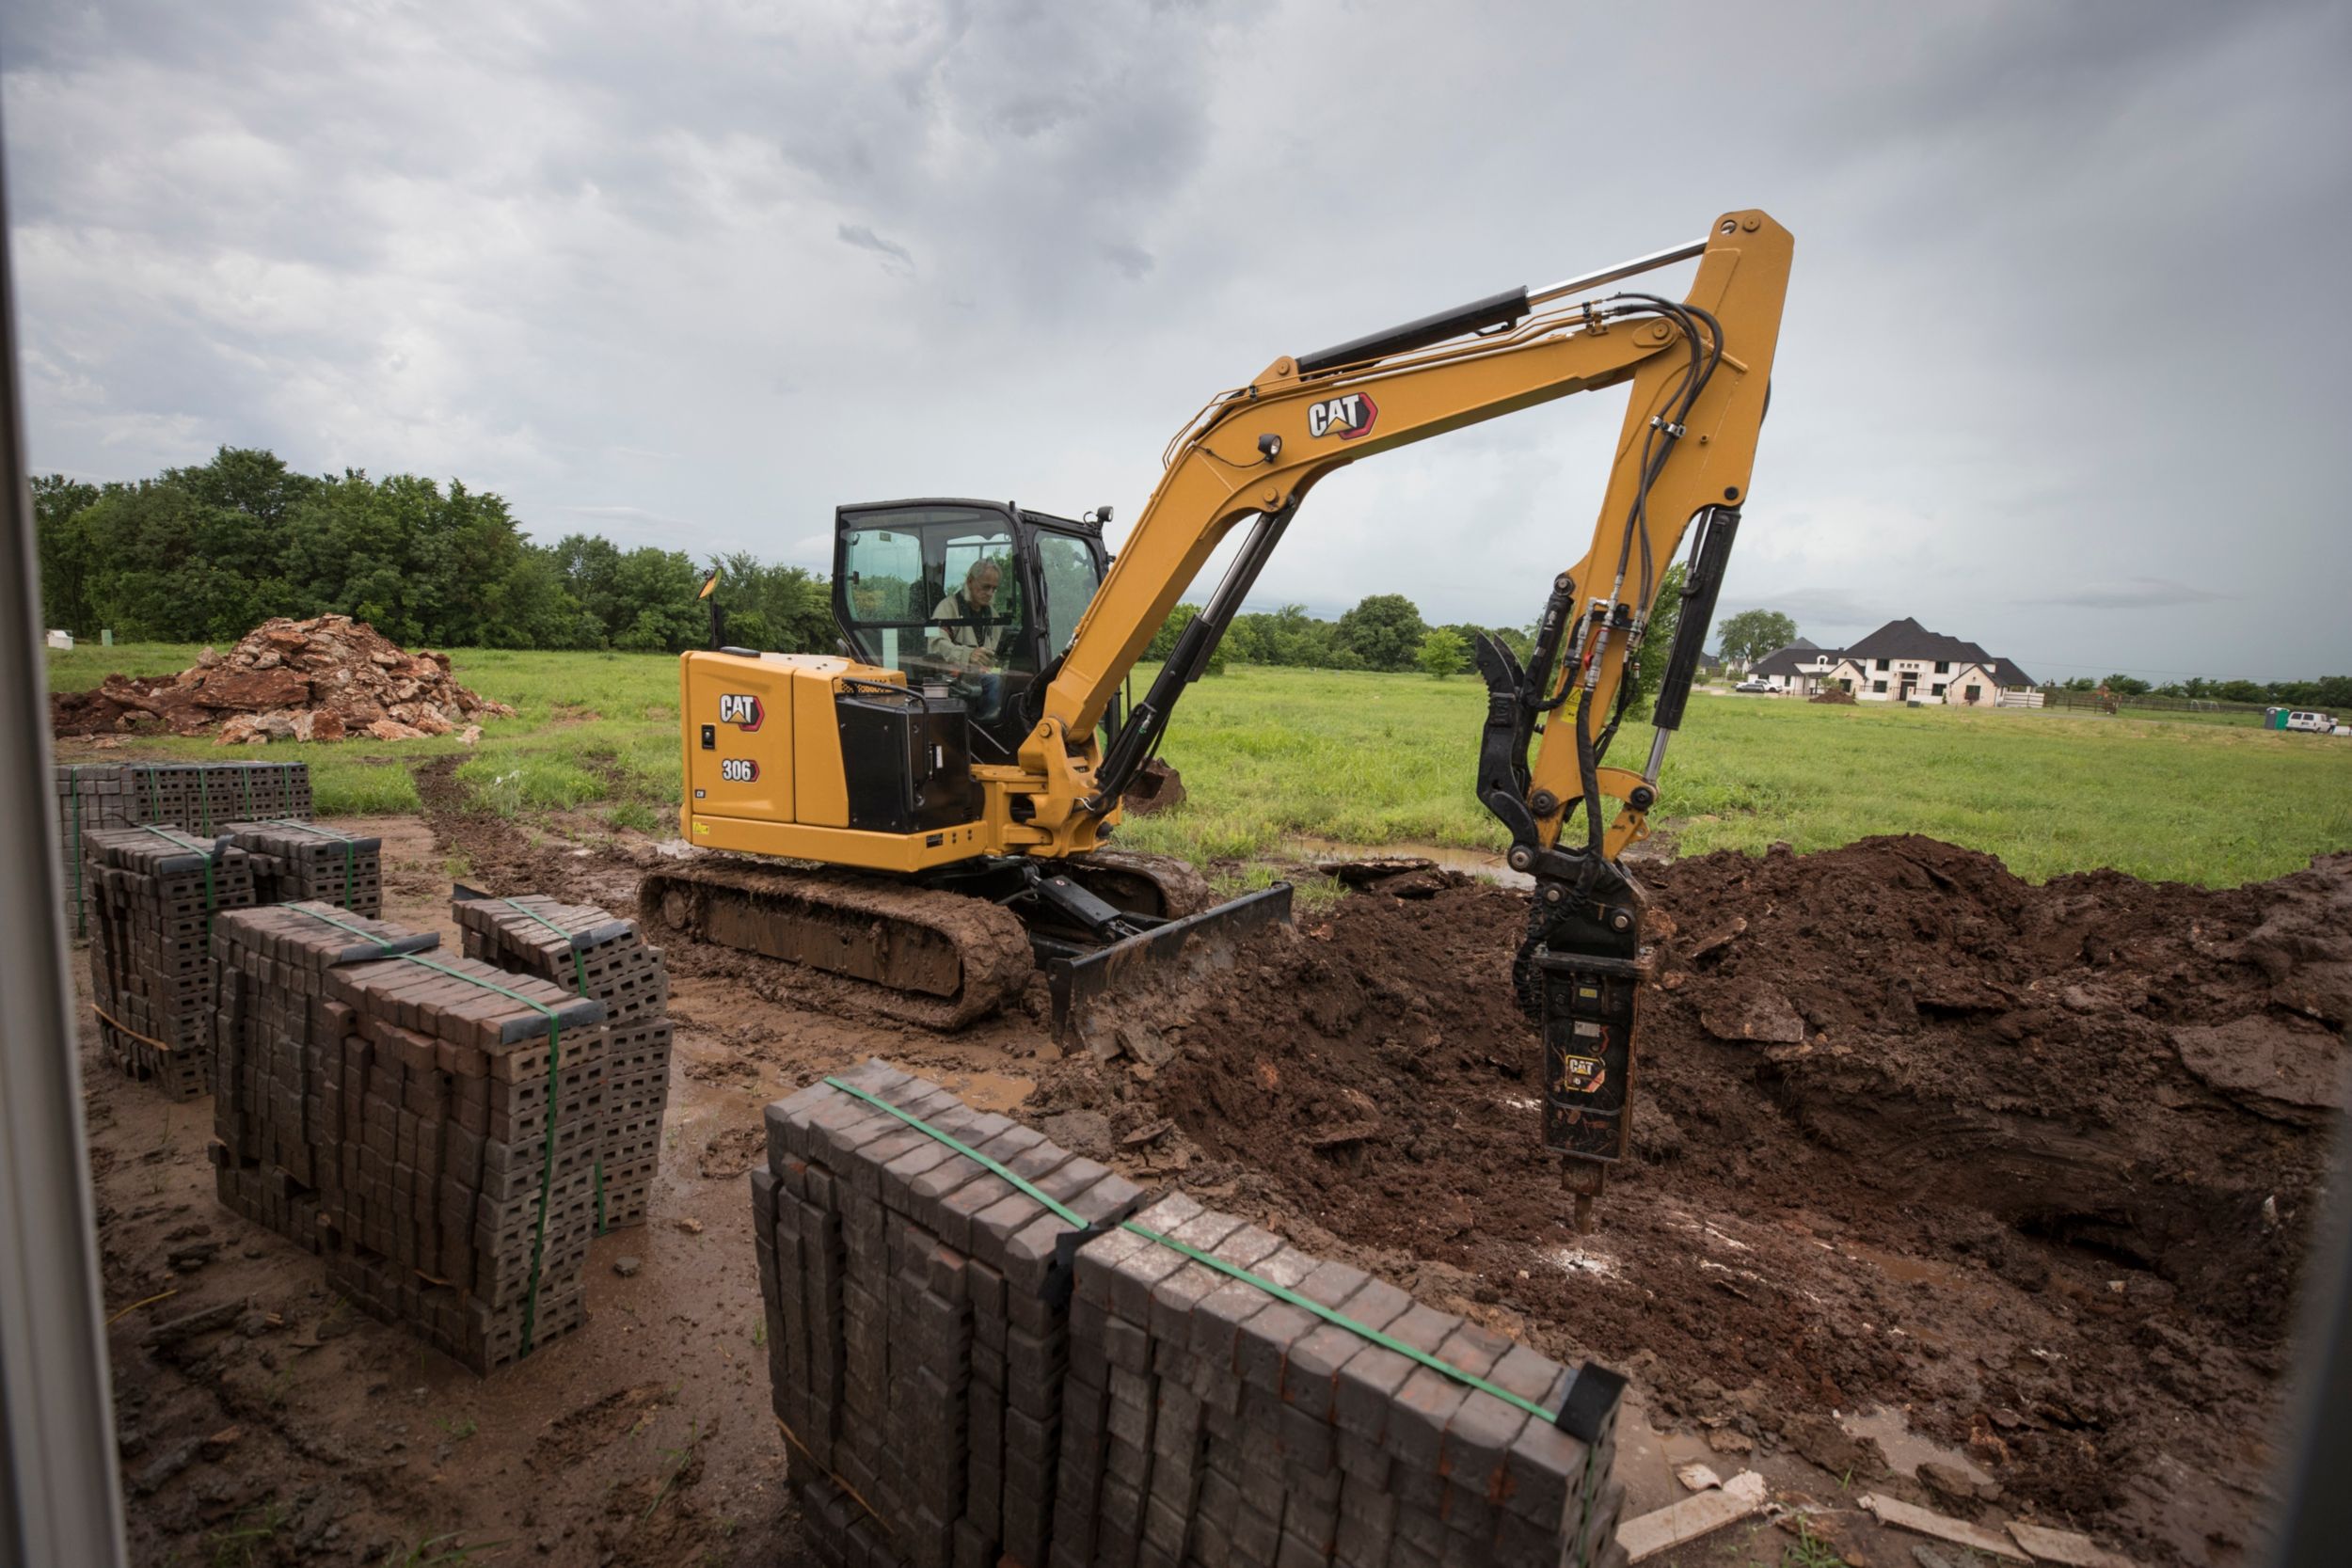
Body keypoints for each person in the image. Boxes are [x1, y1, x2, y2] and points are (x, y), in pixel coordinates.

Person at [928, 560, 1008, 719]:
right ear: (970, 581)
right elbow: (934, 644)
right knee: (994, 681)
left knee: (1014, 678)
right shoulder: (946, 607)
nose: (991, 593)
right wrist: (968, 654)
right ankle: (986, 727)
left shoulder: (992, 614)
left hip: (985, 672)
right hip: (954, 676)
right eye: (986, 587)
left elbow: (998, 651)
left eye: (994, 588)